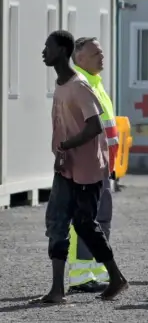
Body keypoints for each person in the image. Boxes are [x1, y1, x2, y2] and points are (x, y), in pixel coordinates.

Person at [35, 30, 128, 304]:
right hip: (66, 167)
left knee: (85, 224)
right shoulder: (62, 85)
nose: (44, 52)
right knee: (56, 222)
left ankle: (116, 277)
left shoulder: (78, 86)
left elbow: (94, 126)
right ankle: (56, 290)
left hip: (88, 169)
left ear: (62, 52)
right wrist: (60, 152)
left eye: (48, 48)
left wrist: (66, 145)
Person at [66, 37, 119, 293]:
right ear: (80, 58)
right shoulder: (80, 85)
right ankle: (80, 275)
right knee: (87, 220)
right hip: (89, 165)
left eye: (102, 52)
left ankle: (97, 269)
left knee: (102, 218)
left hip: (103, 165)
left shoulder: (96, 84)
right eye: (95, 53)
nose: (101, 56)